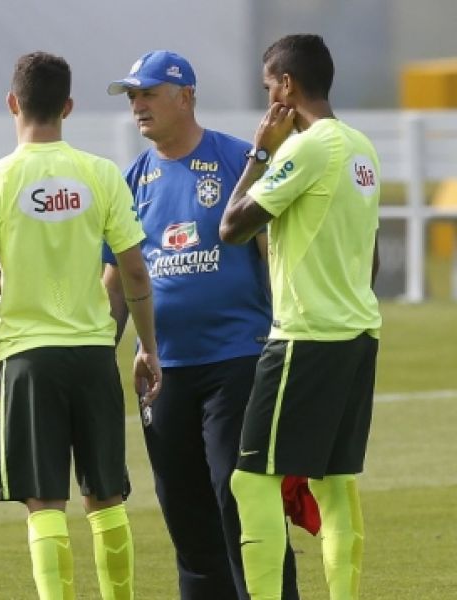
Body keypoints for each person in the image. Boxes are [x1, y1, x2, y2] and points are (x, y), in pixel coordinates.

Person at [0, 51, 162, 600]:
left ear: (12, 103)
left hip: (27, 358)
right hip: (92, 355)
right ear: (68, 107)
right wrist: (147, 346)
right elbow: (134, 270)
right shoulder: (101, 173)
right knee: (106, 497)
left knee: (44, 501)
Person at [103, 50, 299, 600]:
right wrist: (99, 355)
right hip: (163, 370)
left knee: (241, 501)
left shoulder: (239, 160)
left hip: (237, 358)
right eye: (132, 96)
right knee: (184, 512)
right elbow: (116, 281)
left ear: (185, 96)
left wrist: (285, 340)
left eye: (148, 93)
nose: (138, 106)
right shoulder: (132, 180)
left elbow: (271, 256)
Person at [219, 34, 382, 600]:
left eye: (269, 87)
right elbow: (371, 256)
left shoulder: (307, 148)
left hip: (305, 337)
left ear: (286, 86)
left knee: (251, 480)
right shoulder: (362, 147)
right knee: (334, 482)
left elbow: (232, 226)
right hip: (358, 333)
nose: (268, 99)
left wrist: (261, 152)